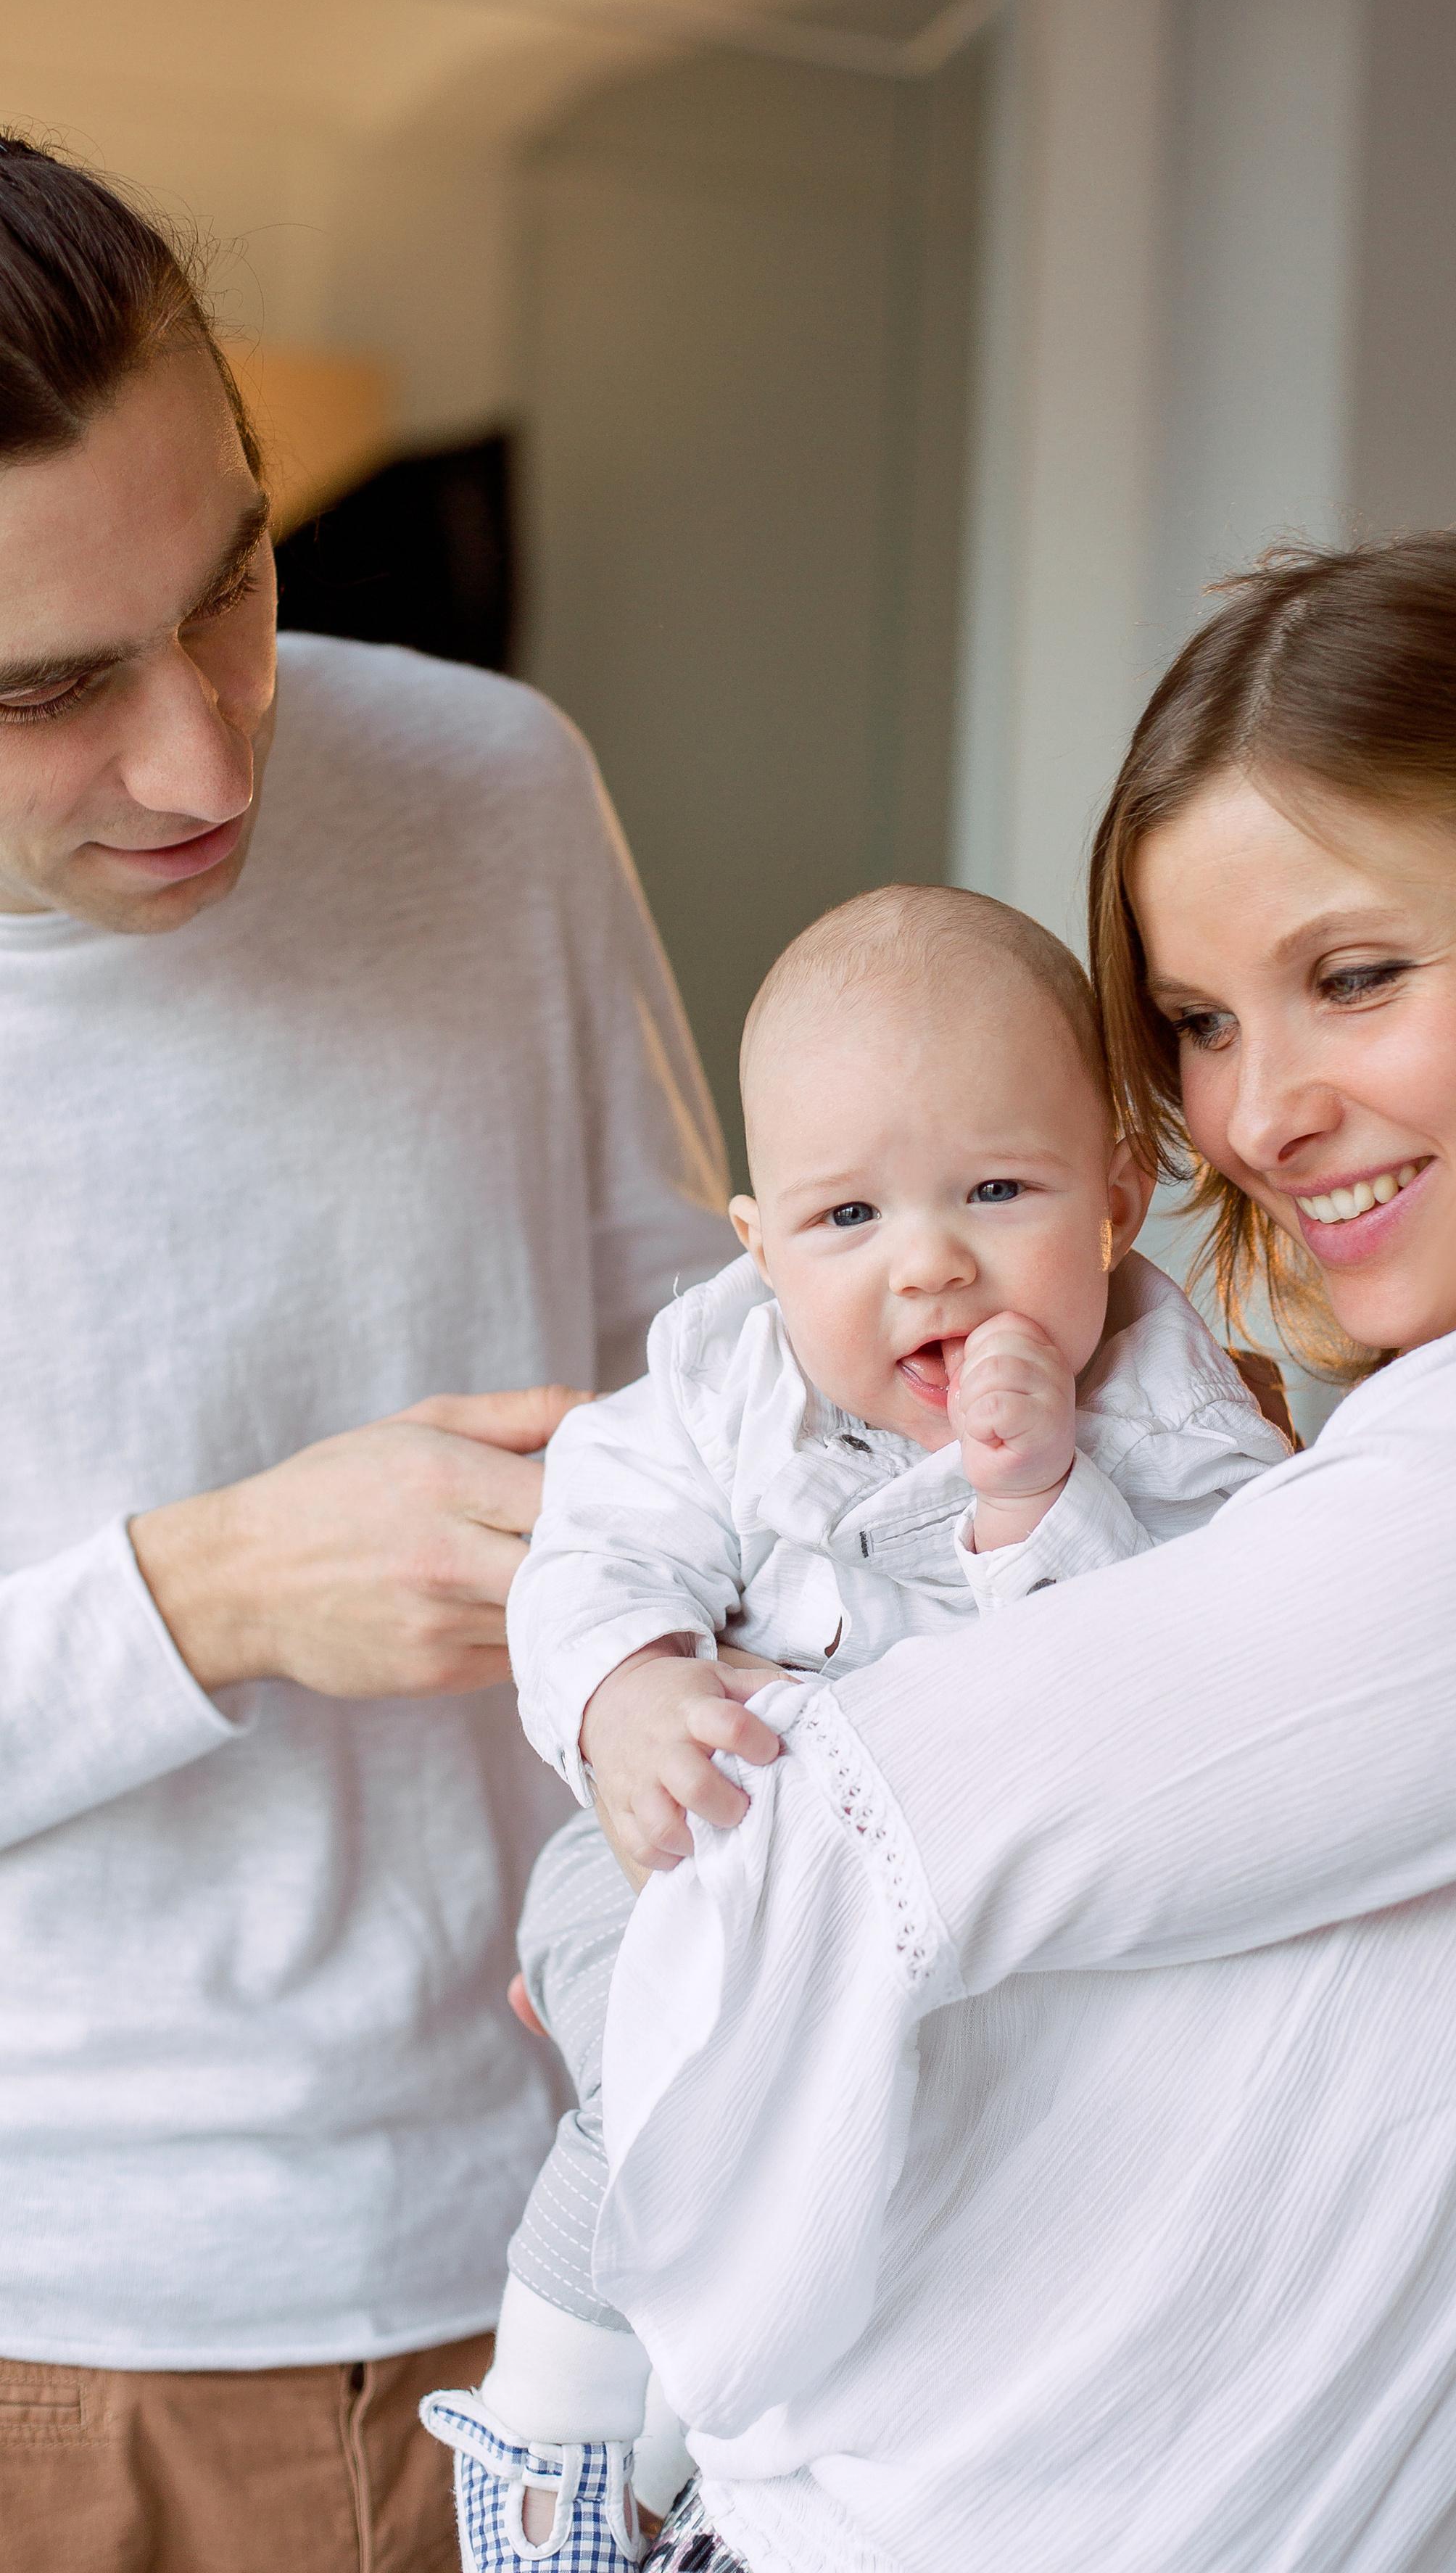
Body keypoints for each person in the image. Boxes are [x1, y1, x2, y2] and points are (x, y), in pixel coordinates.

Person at [579, 534, 1456, 2573]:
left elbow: (828, 1843)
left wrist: (661, 2360)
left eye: (1356, 976)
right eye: (1193, 1023)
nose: (1260, 1117)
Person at [0, 135, 735, 2572]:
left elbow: (709, 1410)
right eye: (50, 694)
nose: (211, 759)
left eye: (237, 590)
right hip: (57, 2350)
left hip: (579, 2260)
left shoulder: (495, 793)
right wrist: (207, 1594)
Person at [421, 885, 1290, 2566]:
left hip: (958, 1958)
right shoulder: (720, 1378)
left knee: (897, 2185)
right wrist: (625, 1690)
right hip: (689, 1847)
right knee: (668, 2099)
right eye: (844, 1219)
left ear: (1117, 1190)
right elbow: (590, 1545)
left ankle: (721, 2481)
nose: (926, 1261)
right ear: (756, 1247)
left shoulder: (1182, 1425)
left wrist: (1035, 1501)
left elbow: (1192, 1695)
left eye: (994, 1189)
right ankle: (546, 2476)